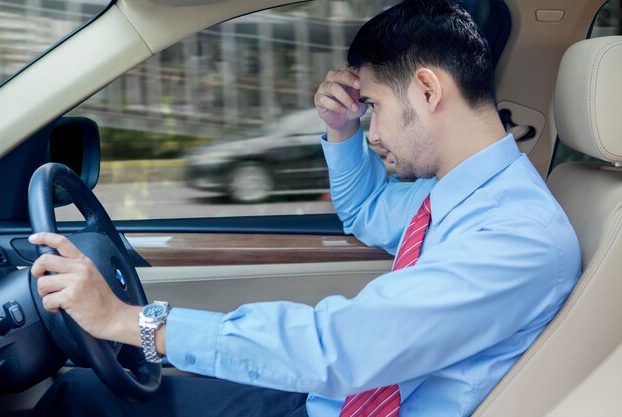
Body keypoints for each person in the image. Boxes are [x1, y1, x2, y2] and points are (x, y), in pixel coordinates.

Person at [29, 1, 581, 416]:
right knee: (84, 392)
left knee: (81, 401)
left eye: (375, 107)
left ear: (429, 91)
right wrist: (341, 132)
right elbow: (365, 212)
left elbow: (338, 350)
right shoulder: (459, 191)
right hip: (330, 398)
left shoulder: (518, 235)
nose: (375, 130)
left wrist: (128, 321)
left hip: (344, 394)